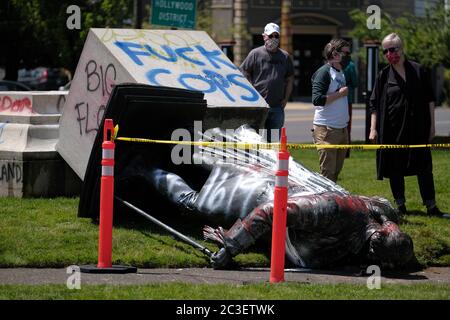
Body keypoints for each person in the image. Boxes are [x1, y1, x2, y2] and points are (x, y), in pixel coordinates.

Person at [118, 125, 415, 270]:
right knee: (195, 201)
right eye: (381, 263)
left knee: (208, 167)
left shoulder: (380, 220)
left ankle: (164, 158)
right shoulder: (335, 211)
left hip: (279, 205)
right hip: (259, 195)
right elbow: (270, 211)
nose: (379, 268)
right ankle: (142, 166)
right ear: (375, 244)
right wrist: (231, 246)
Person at [369, 33, 448, 218]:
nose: (389, 54)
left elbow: (430, 100)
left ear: (402, 48)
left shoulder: (418, 70)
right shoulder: (383, 75)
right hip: (392, 131)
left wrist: (432, 127)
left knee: (424, 168)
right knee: (395, 169)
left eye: (393, 49)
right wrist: (373, 129)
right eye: (385, 51)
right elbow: (374, 104)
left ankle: (431, 206)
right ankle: (400, 206)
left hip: (419, 129)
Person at [240, 22, 294, 142]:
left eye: (276, 36)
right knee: (254, 141)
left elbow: (290, 78)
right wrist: (250, 93)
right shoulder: (255, 54)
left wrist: (285, 99)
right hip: (258, 107)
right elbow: (244, 72)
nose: (273, 39)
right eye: (270, 36)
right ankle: (255, 162)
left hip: (276, 107)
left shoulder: (284, 57)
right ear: (264, 36)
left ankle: (271, 161)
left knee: (273, 144)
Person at [311, 39, 351, 182]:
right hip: (326, 130)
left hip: (341, 130)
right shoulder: (323, 73)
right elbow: (317, 100)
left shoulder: (340, 72)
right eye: (346, 53)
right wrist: (340, 94)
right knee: (327, 175)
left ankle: (333, 202)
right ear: (335, 54)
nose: (349, 56)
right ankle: (326, 202)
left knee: (336, 173)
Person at [343, 53, 358, 158]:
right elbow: (355, 82)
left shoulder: (335, 63)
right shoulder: (351, 65)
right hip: (347, 98)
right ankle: (346, 151)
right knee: (347, 126)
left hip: (336, 98)